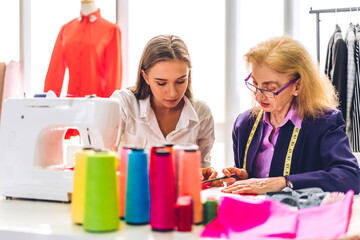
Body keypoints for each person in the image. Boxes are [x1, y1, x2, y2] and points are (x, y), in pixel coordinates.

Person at [221, 36, 360, 195]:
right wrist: (243, 176)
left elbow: (351, 177)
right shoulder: (244, 123)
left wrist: (284, 182)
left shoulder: (324, 123)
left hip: (302, 217)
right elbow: (256, 182)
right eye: (255, 84)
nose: (258, 97)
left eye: (269, 88)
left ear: (297, 85)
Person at [111, 34, 220, 184]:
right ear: (145, 77)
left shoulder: (202, 113)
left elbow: (202, 168)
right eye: (161, 83)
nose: (173, 93)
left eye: (181, 81)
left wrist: (208, 176)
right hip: (132, 201)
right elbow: (102, 161)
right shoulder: (123, 104)